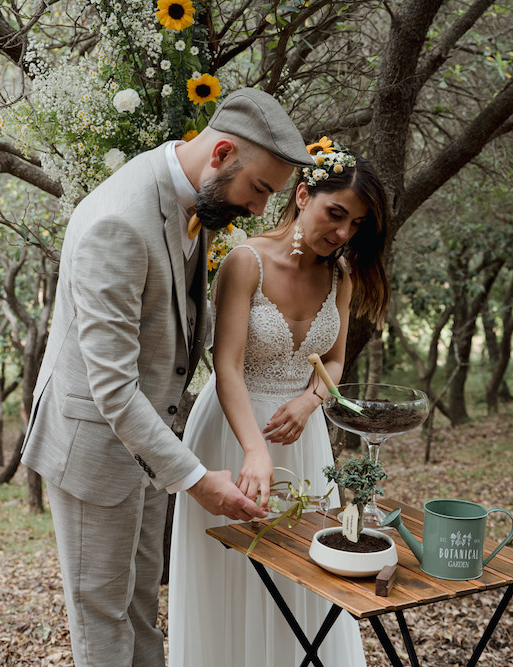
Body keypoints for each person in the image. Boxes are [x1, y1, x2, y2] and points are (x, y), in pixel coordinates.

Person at [20, 88, 316, 667]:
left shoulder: (197, 200)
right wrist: (198, 479)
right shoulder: (118, 222)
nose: (259, 211)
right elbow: (111, 387)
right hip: (94, 448)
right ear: (222, 152)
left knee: (139, 606)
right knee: (102, 619)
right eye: (258, 189)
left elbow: (177, 332)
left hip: (151, 446)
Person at [168, 140, 391, 666]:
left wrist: (311, 401)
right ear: (303, 193)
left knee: (308, 575)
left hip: (304, 440)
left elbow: (333, 363)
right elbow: (225, 365)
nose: (341, 233)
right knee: (233, 573)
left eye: (355, 225)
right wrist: (254, 450)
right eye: (335, 214)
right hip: (233, 431)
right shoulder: (247, 261)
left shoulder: (341, 275)